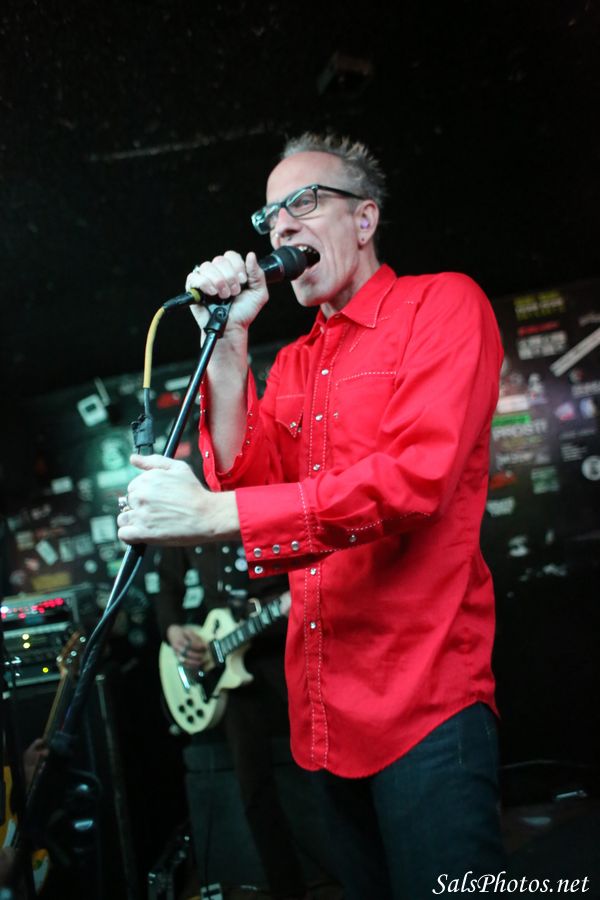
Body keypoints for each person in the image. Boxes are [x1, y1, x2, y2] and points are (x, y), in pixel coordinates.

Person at [118, 132, 506, 898]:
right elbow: (250, 480)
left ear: (364, 219)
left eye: (303, 203)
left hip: (426, 704)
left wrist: (215, 512)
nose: (281, 227)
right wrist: (229, 343)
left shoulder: (442, 304)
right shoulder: (294, 363)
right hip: (323, 718)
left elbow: (414, 481)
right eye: (270, 217)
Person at [155, 544, 310, 900]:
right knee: (254, 788)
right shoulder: (187, 514)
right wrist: (174, 630)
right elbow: (166, 583)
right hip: (227, 660)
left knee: (327, 769)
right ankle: (289, 892)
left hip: (285, 638)